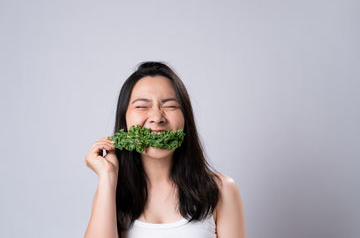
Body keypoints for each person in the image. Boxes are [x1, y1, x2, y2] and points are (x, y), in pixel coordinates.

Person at [84, 61, 246, 238]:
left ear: (186, 118)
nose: (156, 117)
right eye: (141, 106)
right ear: (125, 121)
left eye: (170, 106)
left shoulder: (222, 190)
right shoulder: (110, 192)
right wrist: (107, 176)